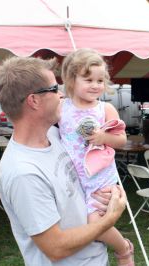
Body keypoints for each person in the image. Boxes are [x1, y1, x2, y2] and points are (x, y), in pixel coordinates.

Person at [0, 56, 126, 265]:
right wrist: (110, 218)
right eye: (54, 89)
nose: (62, 94)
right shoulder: (23, 173)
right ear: (34, 101)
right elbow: (56, 248)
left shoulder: (54, 137)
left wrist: (110, 191)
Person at [59, 48, 133, 266]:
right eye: (88, 79)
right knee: (77, 222)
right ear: (72, 80)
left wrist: (103, 137)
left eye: (100, 80)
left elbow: (121, 140)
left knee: (95, 223)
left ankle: (124, 250)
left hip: (99, 178)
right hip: (73, 179)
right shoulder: (62, 107)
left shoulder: (105, 108)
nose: (95, 85)